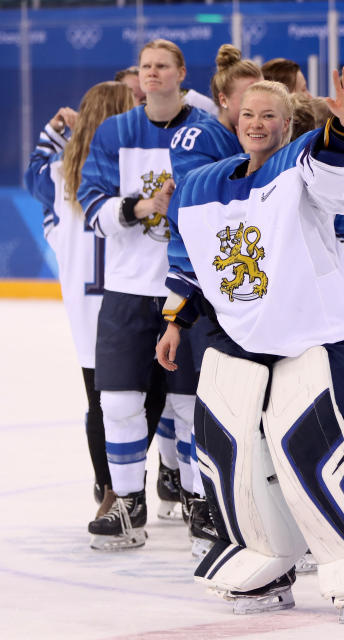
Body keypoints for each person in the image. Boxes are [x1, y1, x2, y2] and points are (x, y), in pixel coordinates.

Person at [156, 71, 344, 621]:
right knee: (235, 458)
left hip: (315, 335)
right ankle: (264, 560)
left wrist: (343, 127)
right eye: (248, 115)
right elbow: (188, 258)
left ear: (288, 125)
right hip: (242, 339)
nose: (257, 124)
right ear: (235, 122)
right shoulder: (202, 185)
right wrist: (174, 320)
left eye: (269, 116)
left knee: (312, 456)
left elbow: (339, 181)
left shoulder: (301, 168)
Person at [78, 39, 213, 550]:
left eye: (162, 66)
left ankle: (200, 502)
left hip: (190, 289)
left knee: (189, 404)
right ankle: (128, 503)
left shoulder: (207, 132)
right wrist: (140, 208)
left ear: (181, 73)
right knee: (117, 400)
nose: (152, 73)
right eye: (145, 66)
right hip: (128, 289)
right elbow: (93, 204)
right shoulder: (115, 132)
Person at [23, 83, 136, 522]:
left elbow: (35, 174)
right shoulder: (138, 171)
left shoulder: (58, 176)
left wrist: (52, 134)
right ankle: (149, 482)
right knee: (155, 401)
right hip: (137, 300)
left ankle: (112, 489)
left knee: (102, 403)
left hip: (89, 312)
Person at [167, 43, 263, 557]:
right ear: (223, 101)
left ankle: (248, 508)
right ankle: (204, 505)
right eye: (246, 105)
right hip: (208, 297)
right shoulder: (199, 139)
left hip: (251, 295)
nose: (255, 117)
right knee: (207, 409)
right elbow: (202, 213)